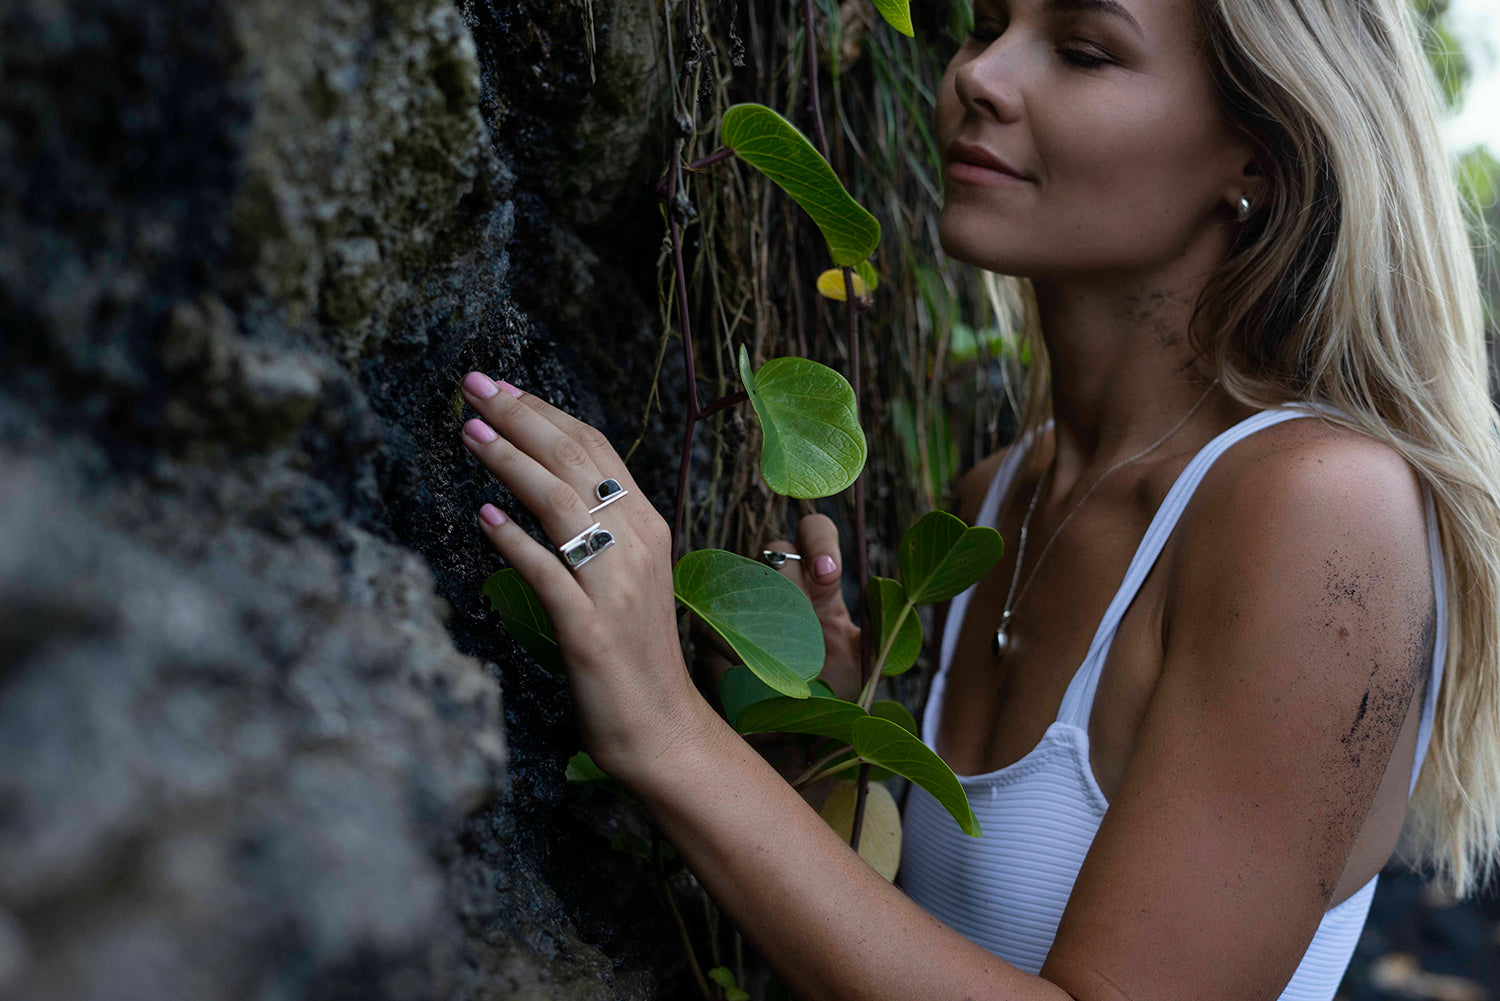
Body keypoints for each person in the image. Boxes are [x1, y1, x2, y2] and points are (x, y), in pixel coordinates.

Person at [455, 0, 1500, 997]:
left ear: (1258, 158)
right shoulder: (993, 502)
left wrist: (666, 727)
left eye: (1084, 49)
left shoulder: (1323, 510)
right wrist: (824, 742)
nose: (977, 76)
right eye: (992, 26)